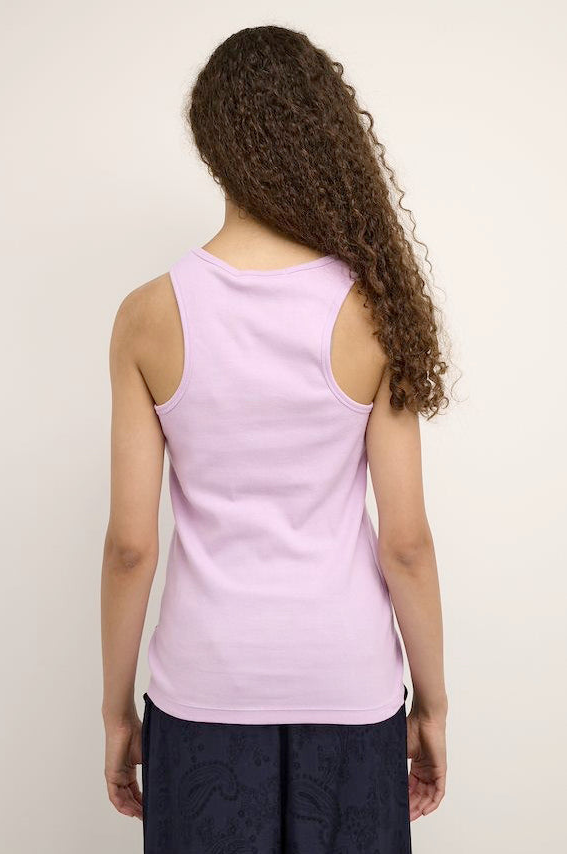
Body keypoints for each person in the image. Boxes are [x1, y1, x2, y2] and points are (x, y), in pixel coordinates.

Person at [101, 25, 449, 854]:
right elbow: (405, 544)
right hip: (350, 687)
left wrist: (115, 713)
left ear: (212, 146)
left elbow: (130, 548)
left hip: (202, 690)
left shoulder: (147, 316)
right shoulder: (374, 314)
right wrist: (433, 705)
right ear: (323, 137)